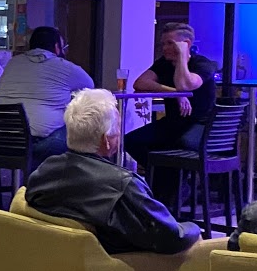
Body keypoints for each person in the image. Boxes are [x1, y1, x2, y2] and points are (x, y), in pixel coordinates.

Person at [24, 89, 200, 255]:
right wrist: (194, 228)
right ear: (106, 140)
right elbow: (172, 237)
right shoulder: (123, 185)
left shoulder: (42, 173)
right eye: (118, 129)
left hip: (57, 263)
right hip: (118, 269)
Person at [125, 22, 219, 191]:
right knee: (132, 141)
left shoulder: (203, 64)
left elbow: (186, 84)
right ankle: (168, 186)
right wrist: (176, 93)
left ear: (186, 44)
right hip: (173, 123)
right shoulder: (164, 64)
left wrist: (182, 57)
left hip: (200, 125)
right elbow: (140, 83)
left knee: (176, 144)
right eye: (163, 44)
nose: (165, 48)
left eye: (170, 43)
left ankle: (171, 189)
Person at [0, 26, 94, 164]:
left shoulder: (13, 63)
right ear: (57, 47)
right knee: (77, 128)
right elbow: (89, 86)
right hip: (42, 143)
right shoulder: (64, 66)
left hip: (1, 139)